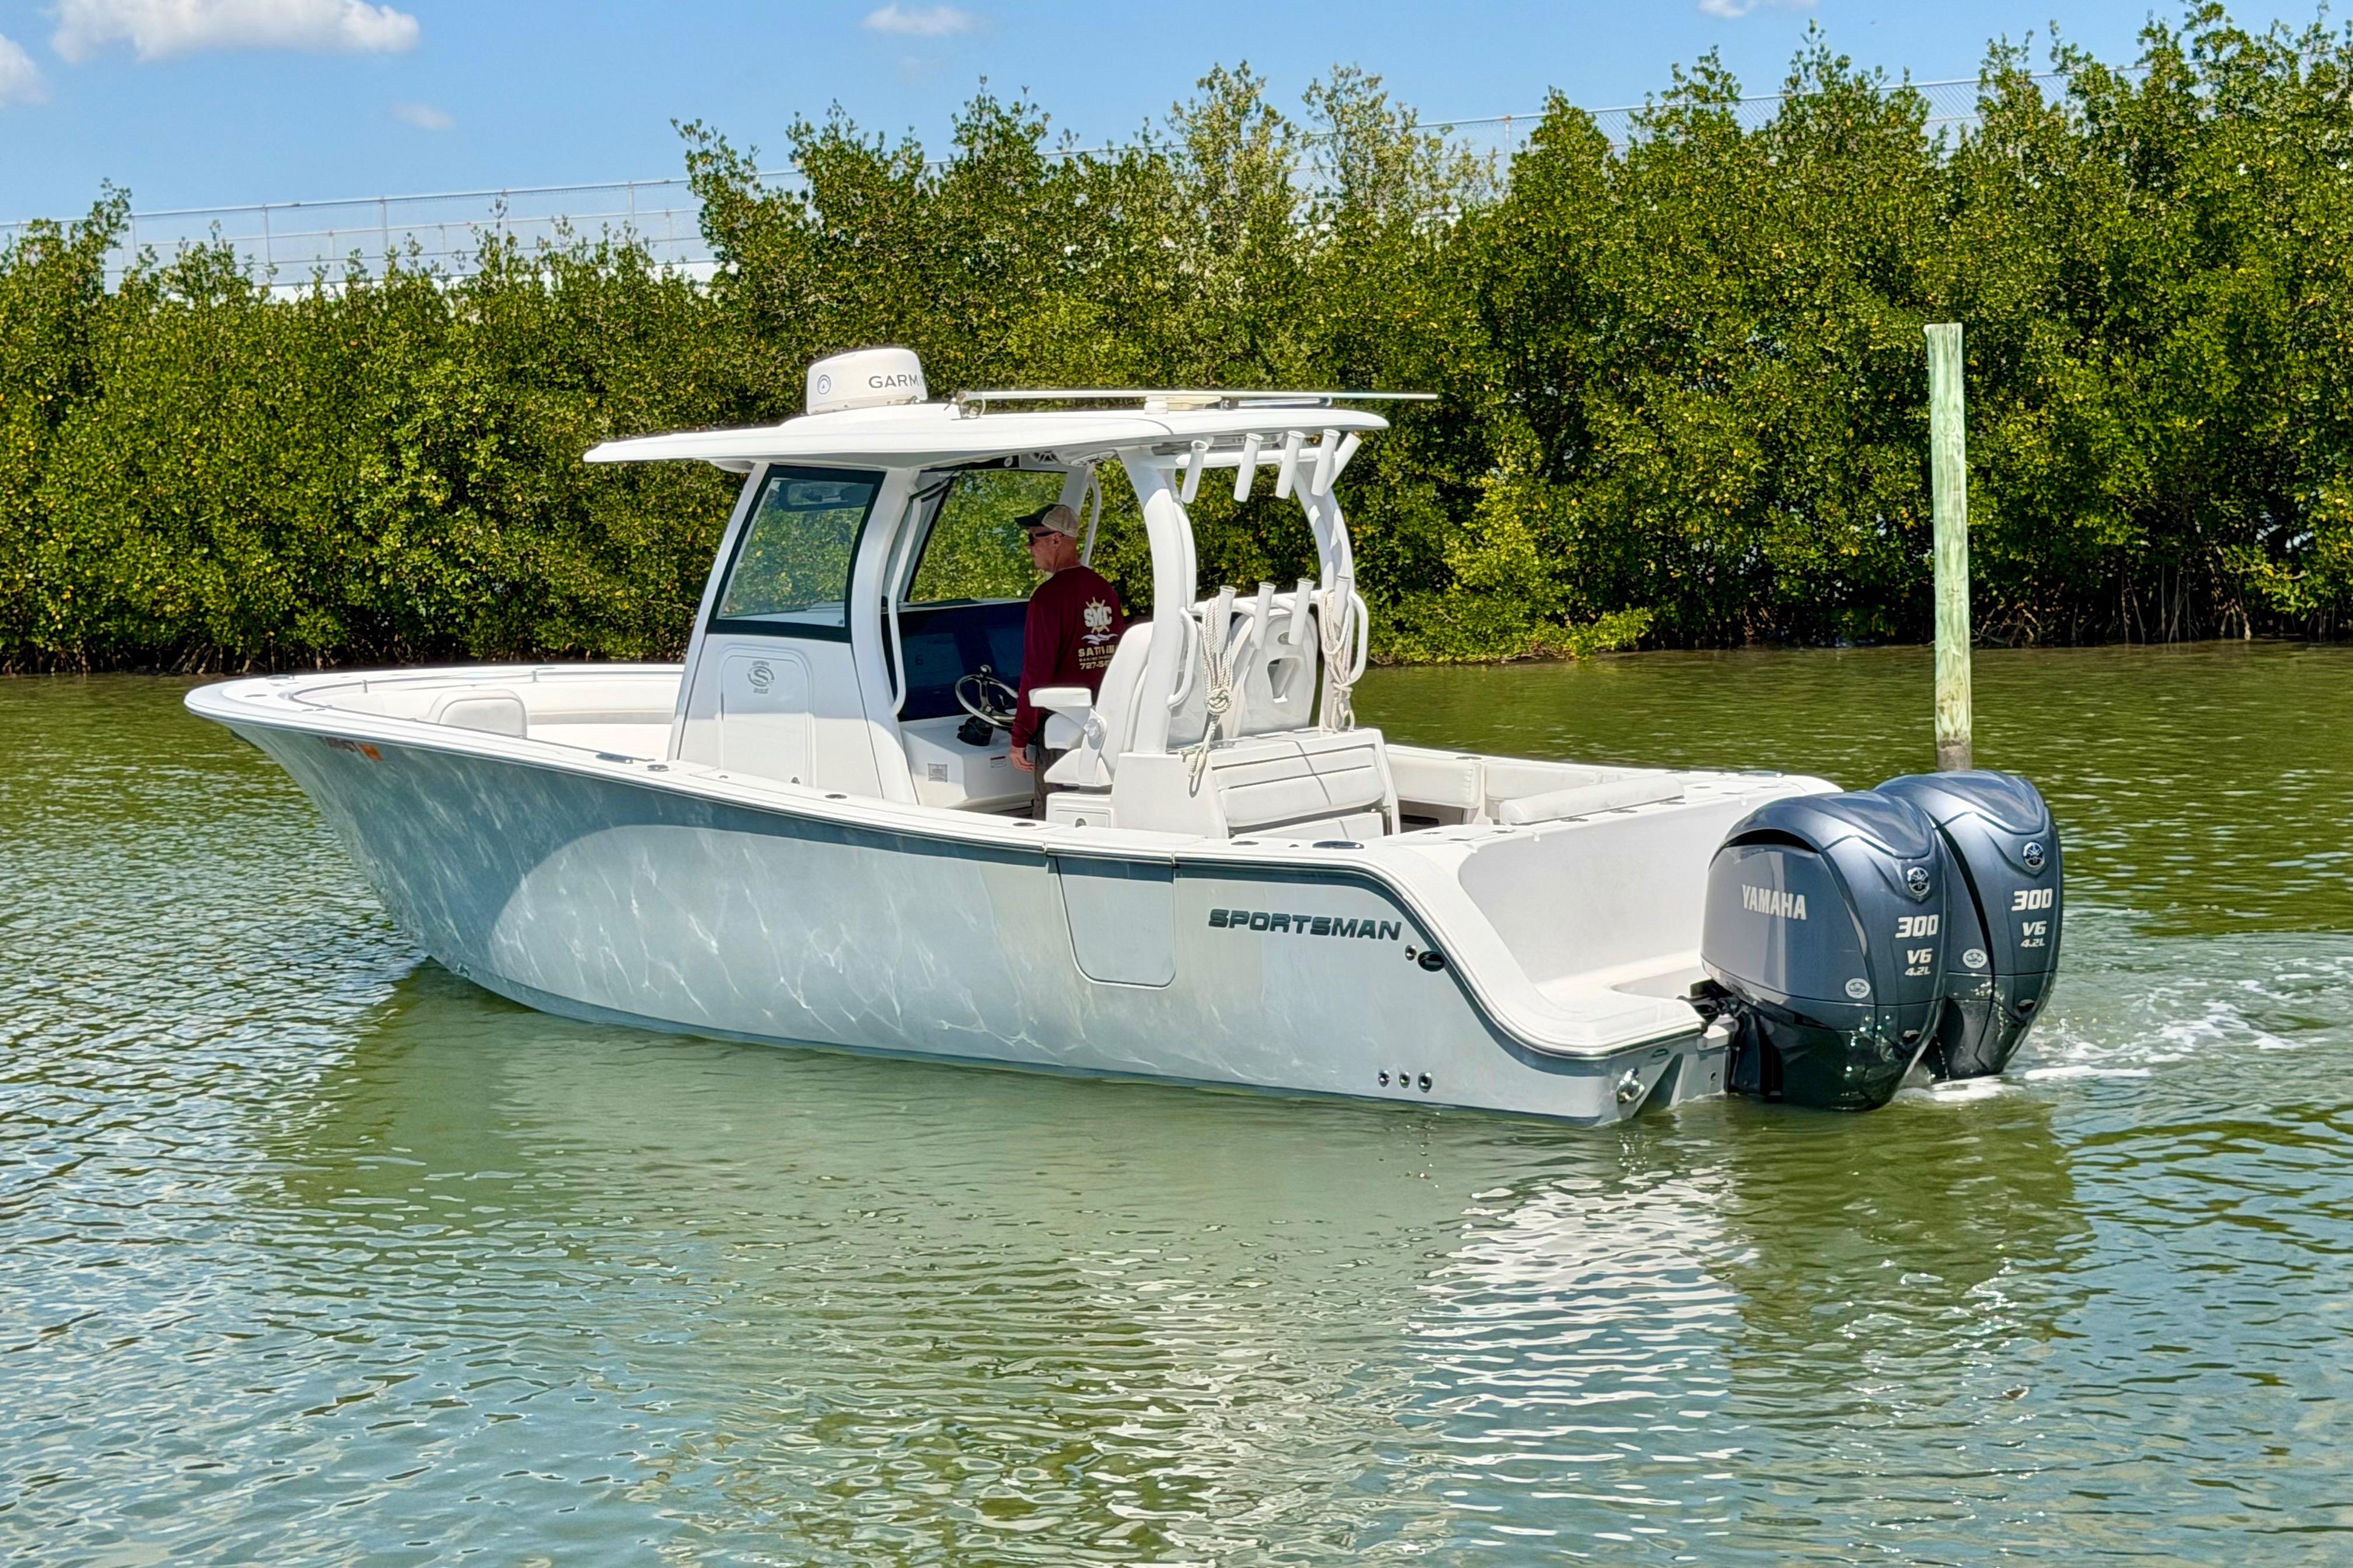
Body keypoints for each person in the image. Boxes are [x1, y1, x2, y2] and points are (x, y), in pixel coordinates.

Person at [1007, 502, 1125, 816]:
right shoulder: (1104, 589)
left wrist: (1019, 736)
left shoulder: (1048, 597)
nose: (1029, 548)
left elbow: (1037, 675)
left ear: (1056, 540)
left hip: (1061, 727)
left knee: (1052, 814)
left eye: (1033, 539)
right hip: (1105, 723)